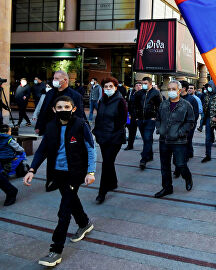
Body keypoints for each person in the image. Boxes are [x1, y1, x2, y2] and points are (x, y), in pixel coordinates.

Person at [23, 95, 96, 267]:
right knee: (71, 201)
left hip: (75, 173)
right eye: (60, 107)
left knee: (64, 211)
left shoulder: (80, 125)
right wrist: (32, 170)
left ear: (73, 109)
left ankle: (55, 250)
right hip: (58, 173)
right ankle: (84, 223)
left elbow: (91, 149)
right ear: (54, 110)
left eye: (67, 107)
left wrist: (91, 171)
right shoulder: (51, 127)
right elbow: (42, 150)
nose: (63, 110)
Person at [154, 80, 195, 198]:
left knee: (181, 164)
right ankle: (167, 188)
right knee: (164, 166)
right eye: (169, 89)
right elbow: (158, 118)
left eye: (173, 89)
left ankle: (188, 178)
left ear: (179, 90)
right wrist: (159, 129)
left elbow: (190, 122)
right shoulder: (163, 104)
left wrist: (181, 132)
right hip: (164, 140)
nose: (171, 91)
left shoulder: (186, 105)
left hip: (179, 141)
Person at [92, 77, 127, 204]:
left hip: (114, 138)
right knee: (108, 161)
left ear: (115, 87)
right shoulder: (102, 100)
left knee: (106, 163)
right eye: (105, 87)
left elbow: (123, 120)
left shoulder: (120, 101)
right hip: (102, 136)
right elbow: (99, 118)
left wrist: (113, 133)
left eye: (110, 86)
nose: (108, 89)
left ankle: (102, 192)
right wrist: (96, 131)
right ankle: (113, 183)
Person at [35, 70, 86, 135]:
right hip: (49, 128)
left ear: (65, 80)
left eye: (56, 78)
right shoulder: (50, 93)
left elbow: (79, 114)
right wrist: (38, 126)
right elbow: (43, 110)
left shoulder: (75, 96)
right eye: (54, 78)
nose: (54, 80)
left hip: (66, 129)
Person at [134, 77, 162, 169]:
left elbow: (160, 107)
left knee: (147, 138)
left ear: (150, 84)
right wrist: (136, 117)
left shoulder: (156, 93)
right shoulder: (139, 93)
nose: (143, 85)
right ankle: (149, 155)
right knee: (146, 139)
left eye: (145, 83)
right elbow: (134, 106)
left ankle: (143, 160)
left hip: (150, 120)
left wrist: (156, 117)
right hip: (140, 120)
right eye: (142, 83)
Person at [0, 124, 24, 206]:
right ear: (8, 132)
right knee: (7, 167)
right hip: (8, 157)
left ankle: (9, 188)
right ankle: (6, 174)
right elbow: (17, 147)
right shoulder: (9, 138)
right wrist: (22, 150)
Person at [200, 81, 216, 163]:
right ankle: (208, 155)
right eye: (208, 86)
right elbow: (204, 106)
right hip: (208, 120)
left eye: (210, 86)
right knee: (208, 139)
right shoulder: (207, 96)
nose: (209, 88)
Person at [180, 81, 199, 160]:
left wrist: (191, 123)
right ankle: (190, 152)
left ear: (184, 88)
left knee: (187, 139)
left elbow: (196, 113)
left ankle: (186, 155)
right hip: (179, 123)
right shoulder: (177, 98)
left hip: (189, 124)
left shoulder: (192, 99)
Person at [124, 81, 141, 150]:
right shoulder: (131, 93)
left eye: (140, 85)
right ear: (134, 87)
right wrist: (128, 114)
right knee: (130, 130)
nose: (138, 86)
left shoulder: (145, 93)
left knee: (144, 132)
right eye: (137, 85)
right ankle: (130, 145)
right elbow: (128, 103)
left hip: (140, 116)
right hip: (130, 115)